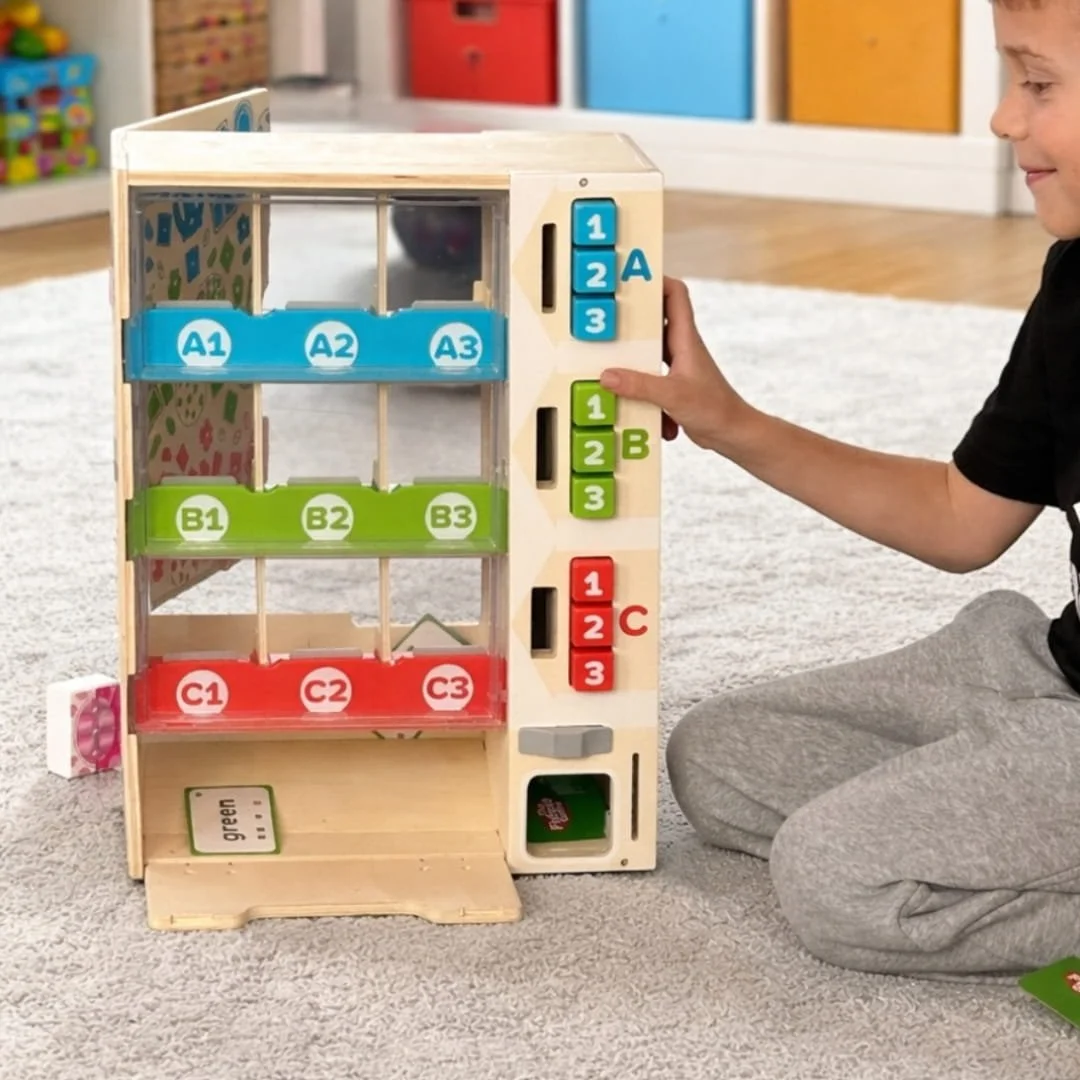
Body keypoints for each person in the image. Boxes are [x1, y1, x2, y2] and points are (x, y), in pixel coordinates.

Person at [599, 0, 1080, 981]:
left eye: (1038, 83)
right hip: (1054, 674)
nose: (1001, 118)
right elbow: (961, 518)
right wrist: (730, 421)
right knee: (716, 762)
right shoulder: (1077, 284)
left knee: (839, 877)